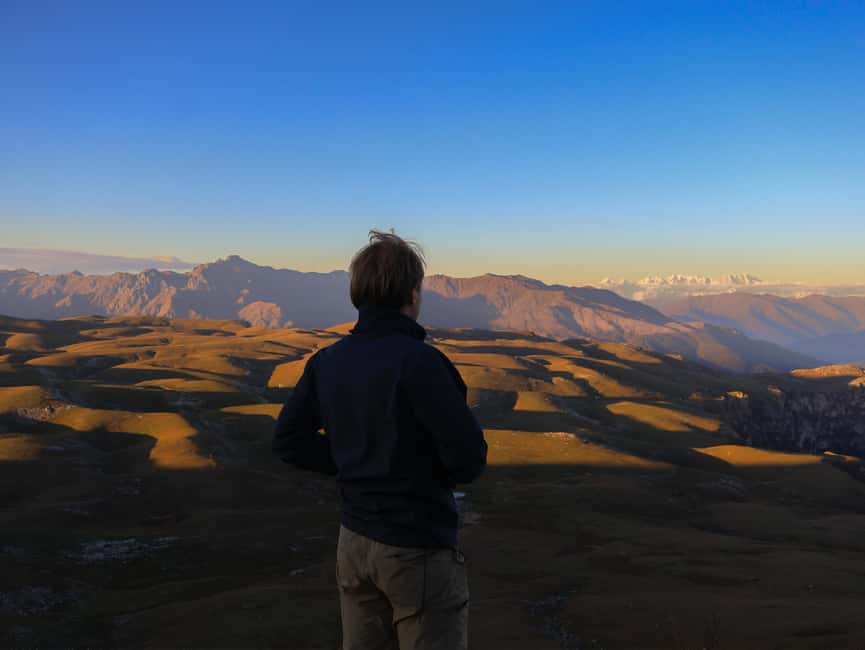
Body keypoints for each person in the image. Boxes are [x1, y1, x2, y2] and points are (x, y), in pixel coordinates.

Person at [272, 228, 488, 650]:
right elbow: (468, 461)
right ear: (412, 293)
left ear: (358, 293)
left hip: (353, 545)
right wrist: (403, 464)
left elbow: (288, 441)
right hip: (416, 548)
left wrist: (355, 460)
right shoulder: (422, 363)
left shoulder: (326, 362)